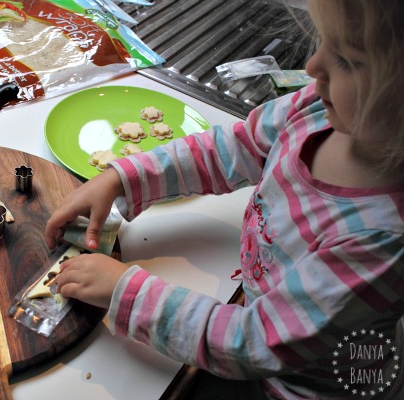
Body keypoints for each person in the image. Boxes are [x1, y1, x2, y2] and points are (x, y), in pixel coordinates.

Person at [45, 0, 404, 398]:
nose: (313, 67)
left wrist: (125, 292)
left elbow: (252, 343)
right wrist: (124, 177)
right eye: (324, 43)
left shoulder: (383, 239)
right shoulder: (317, 106)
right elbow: (232, 148)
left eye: (348, 60)